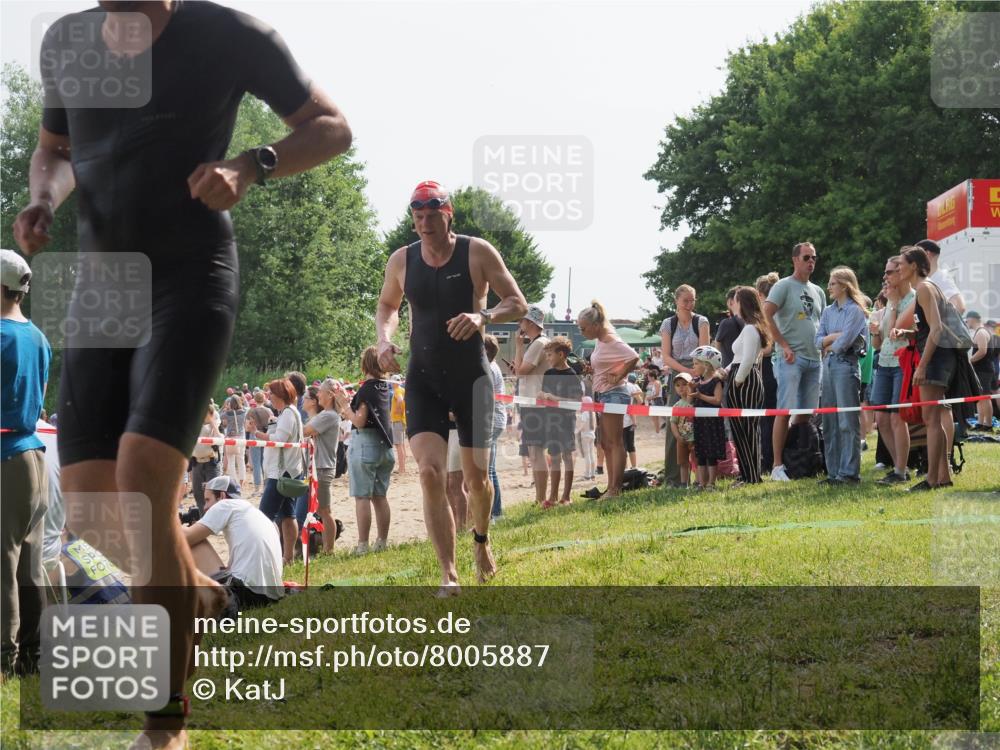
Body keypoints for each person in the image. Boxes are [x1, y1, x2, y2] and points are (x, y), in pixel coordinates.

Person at [14, 1, 352, 741]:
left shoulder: (228, 34)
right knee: (98, 509)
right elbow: (56, 150)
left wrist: (249, 165)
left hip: (190, 275)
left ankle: (166, 721)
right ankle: (195, 588)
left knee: (143, 475)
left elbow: (331, 127)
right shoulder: (70, 41)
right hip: (102, 283)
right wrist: (43, 198)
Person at [374, 181, 527, 593]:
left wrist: (484, 317)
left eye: (432, 216)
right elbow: (387, 305)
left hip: (470, 378)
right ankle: (449, 573)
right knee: (429, 474)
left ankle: (480, 540)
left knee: (476, 481)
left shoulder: (476, 252)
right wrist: (384, 338)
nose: (425, 224)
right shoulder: (402, 260)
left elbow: (518, 302)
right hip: (423, 378)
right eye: (418, 217)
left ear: (448, 213)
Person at [1, 249, 51, 677]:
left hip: (6, 459)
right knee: (29, 566)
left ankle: (4, 659)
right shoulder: (38, 336)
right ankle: (34, 657)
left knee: (2, 564)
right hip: (34, 455)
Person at [893, 247, 961, 490]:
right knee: (934, 419)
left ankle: (932, 479)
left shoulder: (923, 288)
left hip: (935, 360)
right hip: (937, 357)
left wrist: (921, 366)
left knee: (931, 419)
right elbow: (928, 329)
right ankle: (943, 477)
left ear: (914, 266)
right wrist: (908, 333)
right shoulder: (928, 287)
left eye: (901, 264)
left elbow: (937, 329)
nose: (898, 268)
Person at [764, 242, 826, 481]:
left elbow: (819, 324)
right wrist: (783, 345)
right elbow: (767, 313)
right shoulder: (783, 286)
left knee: (806, 412)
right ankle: (777, 466)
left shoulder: (818, 291)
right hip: (791, 358)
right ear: (795, 260)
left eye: (814, 258)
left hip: (814, 358)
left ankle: (793, 453)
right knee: (784, 410)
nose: (811, 261)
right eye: (806, 257)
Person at [183, 475, 283, 610]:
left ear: (222, 496)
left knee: (194, 541)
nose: (205, 507)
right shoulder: (253, 511)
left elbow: (185, 538)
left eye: (207, 500)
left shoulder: (224, 505)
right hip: (272, 596)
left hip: (246, 594)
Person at [334, 347, 395, 555]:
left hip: (366, 444)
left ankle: (362, 545)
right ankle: (382, 542)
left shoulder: (367, 388)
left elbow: (359, 421)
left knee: (362, 497)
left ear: (365, 364)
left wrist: (344, 405)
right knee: (380, 497)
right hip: (385, 446)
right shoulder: (385, 386)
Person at [578, 300, 639, 497]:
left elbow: (633, 356)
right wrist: (593, 370)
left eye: (583, 328)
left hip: (614, 394)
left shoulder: (611, 339)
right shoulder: (599, 339)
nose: (581, 332)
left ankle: (615, 488)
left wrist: (620, 375)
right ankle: (612, 487)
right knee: (605, 443)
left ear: (595, 326)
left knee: (615, 442)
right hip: (603, 394)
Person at [815, 267, 868, 484]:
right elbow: (817, 341)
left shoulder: (855, 311)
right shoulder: (828, 311)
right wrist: (832, 338)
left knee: (847, 421)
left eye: (833, 283)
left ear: (845, 285)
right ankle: (833, 472)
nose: (828, 287)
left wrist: (830, 340)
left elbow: (843, 344)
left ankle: (849, 473)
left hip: (846, 366)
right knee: (829, 422)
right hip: (827, 367)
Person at [659, 285, 710, 486]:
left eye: (692, 301)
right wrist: (684, 372)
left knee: (701, 425)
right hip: (677, 374)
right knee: (676, 425)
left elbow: (704, 352)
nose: (689, 305)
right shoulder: (668, 324)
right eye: (685, 301)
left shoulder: (702, 322)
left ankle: (702, 477)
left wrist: (695, 372)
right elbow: (665, 356)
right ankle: (674, 478)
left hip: (699, 372)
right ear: (677, 302)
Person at [872, 258, 916, 485]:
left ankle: (900, 470)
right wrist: (874, 331)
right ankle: (901, 466)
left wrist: (892, 303)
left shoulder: (913, 298)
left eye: (890, 273)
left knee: (898, 418)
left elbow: (896, 328)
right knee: (881, 418)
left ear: (901, 273)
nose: (886, 278)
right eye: (885, 273)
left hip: (902, 363)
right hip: (885, 363)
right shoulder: (891, 300)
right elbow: (878, 344)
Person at [255, 379, 304, 564]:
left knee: (264, 517)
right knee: (287, 515)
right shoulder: (291, 413)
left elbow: (279, 439)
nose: (269, 397)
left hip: (281, 474)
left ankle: (268, 558)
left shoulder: (288, 414)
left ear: (280, 395)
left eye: (271, 394)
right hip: (290, 471)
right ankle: (287, 557)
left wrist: (260, 435)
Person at [724, 287, 769, 485]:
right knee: (740, 430)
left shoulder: (751, 328)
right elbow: (739, 357)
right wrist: (725, 372)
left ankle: (751, 476)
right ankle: (746, 473)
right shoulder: (749, 327)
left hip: (745, 380)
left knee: (748, 430)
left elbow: (748, 359)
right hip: (740, 376)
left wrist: (737, 380)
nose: (733, 304)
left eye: (736, 300)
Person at [537, 336, 583, 507]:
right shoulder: (548, 374)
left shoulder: (572, 375)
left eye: (550, 355)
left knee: (567, 456)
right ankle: (552, 496)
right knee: (554, 457)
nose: (548, 359)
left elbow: (576, 401)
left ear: (561, 354)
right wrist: (541, 396)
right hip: (551, 420)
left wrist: (554, 398)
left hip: (566, 420)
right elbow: (545, 395)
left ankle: (566, 496)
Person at [513, 305, 550, 506]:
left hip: (535, 405)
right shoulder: (540, 342)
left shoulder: (537, 344)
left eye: (522, 320)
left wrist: (518, 347)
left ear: (530, 323)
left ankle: (540, 498)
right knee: (536, 453)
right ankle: (541, 497)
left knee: (536, 453)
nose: (520, 324)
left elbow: (520, 372)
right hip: (535, 403)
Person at [302, 381, 342, 554]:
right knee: (322, 510)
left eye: (321, 392)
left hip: (323, 467)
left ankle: (329, 549)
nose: (318, 395)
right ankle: (326, 548)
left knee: (325, 511)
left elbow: (306, 430)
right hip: (321, 466)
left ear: (330, 395)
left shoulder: (329, 416)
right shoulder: (327, 414)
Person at [754, 273, 780, 472]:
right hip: (774, 368)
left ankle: (768, 460)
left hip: (768, 368)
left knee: (767, 417)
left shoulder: (767, 313)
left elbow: (769, 347)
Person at [689, 346, 726, 490]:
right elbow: (691, 401)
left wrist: (700, 395)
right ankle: (702, 482)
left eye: (696, 363)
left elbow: (717, 400)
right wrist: (692, 390)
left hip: (712, 422)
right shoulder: (697, 381)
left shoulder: (716, 381)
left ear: (707, 365)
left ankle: (711, 482)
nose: (694, 366)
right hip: (700, 422)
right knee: (701, 453)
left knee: (711, 452)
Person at [483, 335, 507, 519]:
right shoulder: (493, 366)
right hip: (494, 419)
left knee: (487, 469)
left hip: (492, 420)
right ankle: (495, 511)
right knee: (489, 468)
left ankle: (494, 512)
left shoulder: (489, 368)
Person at [917, 239, 966, 315]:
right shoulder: (932, 278)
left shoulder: (941, 277)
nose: (913, 260)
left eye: (916, 256)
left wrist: (940, 325)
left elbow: (959, 306)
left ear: (927, 254)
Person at [967, 311, 997, 431]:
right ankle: (981, 422)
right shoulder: (980, 332)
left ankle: (988, 425)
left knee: (985, 396)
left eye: (967, 320)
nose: (967, 323)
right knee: (979, 397)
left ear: (972, 319)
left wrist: (970, 361)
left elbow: (982, 351)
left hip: (984, 370)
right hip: (981, 369)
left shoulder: (981, 332)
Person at [190, 405, 223, 514]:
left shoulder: (215, 422)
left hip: (211, 462)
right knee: (198, 494)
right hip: (197, 462)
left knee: (213, 493)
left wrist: (212, 423)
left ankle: (215, 519)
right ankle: (203, 519)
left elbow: (219, 440)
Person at [669, 373, 696, 487]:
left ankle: (698, 482)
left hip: (695, 438)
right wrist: (678, 437)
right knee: (683, 462)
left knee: (697, 461)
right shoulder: (676, 406)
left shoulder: (695, 402)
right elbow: (673, 423)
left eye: (685, 384)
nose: (681, 387)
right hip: (682, 439)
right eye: (678, 385)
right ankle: (684, 483)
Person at [246, 391, 272, 494]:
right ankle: (266, 488)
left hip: (254, 436)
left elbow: (247, 428)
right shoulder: (269, 411)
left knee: (256, 463)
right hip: (266, 436)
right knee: (265, 463)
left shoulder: (251, 411)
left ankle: (257, 488)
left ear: (254, 399)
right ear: (264, 398)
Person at [713, 287, 746, 369]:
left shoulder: (726, 323)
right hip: (749, 369)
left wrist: (717, 368)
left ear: (730, 302)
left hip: (729, 370)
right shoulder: (753, 323)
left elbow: (717, 347)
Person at [220, 394, 248, 490]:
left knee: (231, 460)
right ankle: (242, 481)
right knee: (241, 460)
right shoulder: (244, 411)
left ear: (230, 403)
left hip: (231, 438)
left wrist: (225, 407)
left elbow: (219, 416)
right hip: (241, 437)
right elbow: (247, 407)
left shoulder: (227, 413)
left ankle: (234, 482)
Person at [622, 373, 643, 469]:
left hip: (619, 421)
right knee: (630, 445)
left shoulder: (613, 385)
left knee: (623, 447)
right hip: (629, 420)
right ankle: (634, 467)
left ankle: (625, 469)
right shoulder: (631, 386)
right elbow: (640, 400)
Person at [389, 376, 408, 473]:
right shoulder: (402, 389)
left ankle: (401, 469)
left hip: (397, 420)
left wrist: (397, 410)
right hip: (401, 420)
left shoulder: (397, 391)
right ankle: (402, 467)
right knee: (402, 445)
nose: (391, 384)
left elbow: (400, 400)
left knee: (398, 445)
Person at [576, 396, 597, 481]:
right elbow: (594, 425)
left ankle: (587, 475)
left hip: (585, 435)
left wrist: (576, 431)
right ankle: (592, 474)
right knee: (592, 454)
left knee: (587, 455)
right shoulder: (593, 413)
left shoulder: (585, 413)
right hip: (592, 434)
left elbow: (582, 425)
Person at [644, 364, 664, 433]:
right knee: (654, 417)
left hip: (657, 400)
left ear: (652, 377)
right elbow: (649, 391)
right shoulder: (651, 382)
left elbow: (657, 393)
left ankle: (658, 431)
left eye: (648, 376)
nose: (648, 378)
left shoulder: (657, 382)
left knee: (656, 417)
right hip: (652, 400)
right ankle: (657, 431)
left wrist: (650, 398)